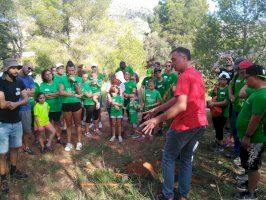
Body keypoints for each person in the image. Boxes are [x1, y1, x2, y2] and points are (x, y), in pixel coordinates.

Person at [140, 47, 208, 200]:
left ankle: (168, 195)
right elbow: (177, 99)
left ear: (184, 59)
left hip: (184, 125)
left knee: (169, 158)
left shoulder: (184, 76)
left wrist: (157, 119)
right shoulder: (196, 74)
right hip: (199, 124)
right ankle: (183, 195)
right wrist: (157, 108)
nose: (172, 63)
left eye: (174, 60)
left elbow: (181, 105)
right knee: (186, 158)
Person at [234, 64, 265, 200]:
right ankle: (249, 184)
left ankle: (251, 193)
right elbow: (241, 94)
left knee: (253, 167)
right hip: (250, 138)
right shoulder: (257, 91)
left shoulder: (261, 95)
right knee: (249, 164)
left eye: (247, 78)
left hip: (255, 138)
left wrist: (247, 136)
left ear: (256, 77)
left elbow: (255, 119)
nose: (245, 81)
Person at [0, 58, 29, 194]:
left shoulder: (20, 81)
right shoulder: (0, 82)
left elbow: (26, 98)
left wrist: (16, 104)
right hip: (3, 124)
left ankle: (13, 171)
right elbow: (1, 103)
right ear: (6, 69)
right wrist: (9, 103)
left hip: (16, 122)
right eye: (13, 68)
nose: (16, 70)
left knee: (15, 148)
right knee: (2, 153)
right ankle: (4, 179)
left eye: (17, 68)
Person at [228, 60, 253, 163]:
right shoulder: (236, 76)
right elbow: (230, 86)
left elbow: (244, 93)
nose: (237, 71)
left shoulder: (250, 77)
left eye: (239, 68)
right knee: (234, 129)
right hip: (235, 108)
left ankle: (242, 155)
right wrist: (231, 96)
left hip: (245, 109)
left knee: (242, 132)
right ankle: (236, 151)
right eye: (237, 69)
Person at [59, 60, 83, 151]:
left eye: (72, 70)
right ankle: (69, 143)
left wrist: (75, 81)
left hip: (76, 104)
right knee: (68, 124)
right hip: (66, 104)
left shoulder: (78, 79)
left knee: (78, 124)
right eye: (69, 70)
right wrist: (73, 95)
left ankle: (79, 142)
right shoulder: (62, 79)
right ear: (66, 70)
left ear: (75, 70)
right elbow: (61, 92)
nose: (70, 72)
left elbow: (80, 92)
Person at [39, 69, 63, 144]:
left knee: (57, 123)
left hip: (57, 107)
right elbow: (44, 96)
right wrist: (54, 94)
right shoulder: (42, 85)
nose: (49, 75)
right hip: (46, 109)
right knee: (47, 124)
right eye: (46, 74)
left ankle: (58, 136)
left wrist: (49, 95)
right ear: (44, 76)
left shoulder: (57, 83)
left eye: (50, 73)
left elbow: (60, 93)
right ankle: (47, 138)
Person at [208, 73, 230, 151]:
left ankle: (220, 143)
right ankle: (217, 141)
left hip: (224, 112)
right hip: (215, 112)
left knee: (220, 127)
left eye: (224, 79)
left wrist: (214, 104)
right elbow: (212, 97)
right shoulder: (216, 88)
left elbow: (225, 102)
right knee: (216, 127)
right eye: (221, 79)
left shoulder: (228, 89)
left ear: (227, 80)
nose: (222, 81)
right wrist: (211, 103)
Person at [18, 62, 35, 155]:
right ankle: (18, 146)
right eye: (29, 68)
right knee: (15, 129)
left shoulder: (29, 78)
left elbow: (33, 93)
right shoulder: (15, 76)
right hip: (13, 107)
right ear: (23, 65)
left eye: (31, 69)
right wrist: (26, 91)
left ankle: (26, 146)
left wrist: (20, 91)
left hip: (26, 107)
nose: (29, 70)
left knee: (27, 130)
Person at [81, 72, 101, 137]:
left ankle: (96, 129)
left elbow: (98, 89)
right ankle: (87, 132)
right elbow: (88, 95)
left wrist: (98, 94)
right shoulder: (82, 85)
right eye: (84, 77)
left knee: (96, 116)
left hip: (95, 102)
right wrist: (97, 94)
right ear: (82, 77)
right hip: (88, 103)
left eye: (86, 77)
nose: (85, 79)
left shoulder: (91, 82)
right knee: (88, 117)